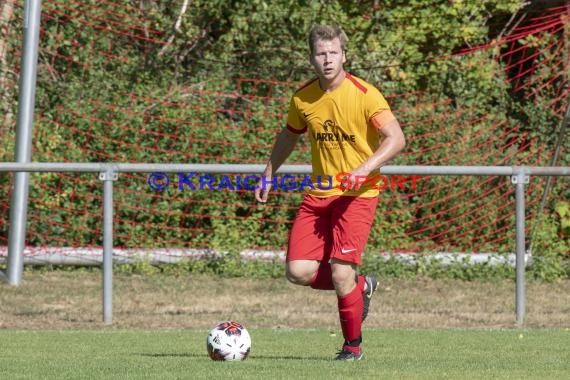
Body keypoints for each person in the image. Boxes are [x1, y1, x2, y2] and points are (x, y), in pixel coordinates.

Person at [254, 24, 405, 361]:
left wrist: (364, 169)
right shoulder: (303, 97)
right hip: (319, 194)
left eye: (333, 52)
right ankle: (359, 285)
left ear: (343, 55)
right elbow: (289, 135)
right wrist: (268, 174)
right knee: (298, 271)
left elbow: (396, 139)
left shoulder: (366, 94)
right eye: (321, 53)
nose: (327, 59)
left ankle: (352, 348)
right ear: (311, 58)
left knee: (339, 272)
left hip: (358, 195)